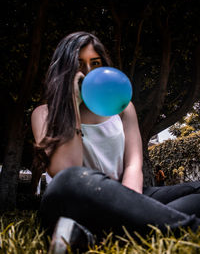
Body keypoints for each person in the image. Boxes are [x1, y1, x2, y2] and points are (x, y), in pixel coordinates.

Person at [31, 32, 200, 252]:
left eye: (95, 63)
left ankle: (91, 235)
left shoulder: (123, 108)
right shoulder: (43, 113)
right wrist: (72, 102)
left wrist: (129, 206)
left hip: (125, 194)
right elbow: (66, 169)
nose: (88, 72)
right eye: (79, 64)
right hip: (73, 201)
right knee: (70, 179)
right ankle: (187, 227)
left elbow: (133, 164)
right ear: (65, 69)